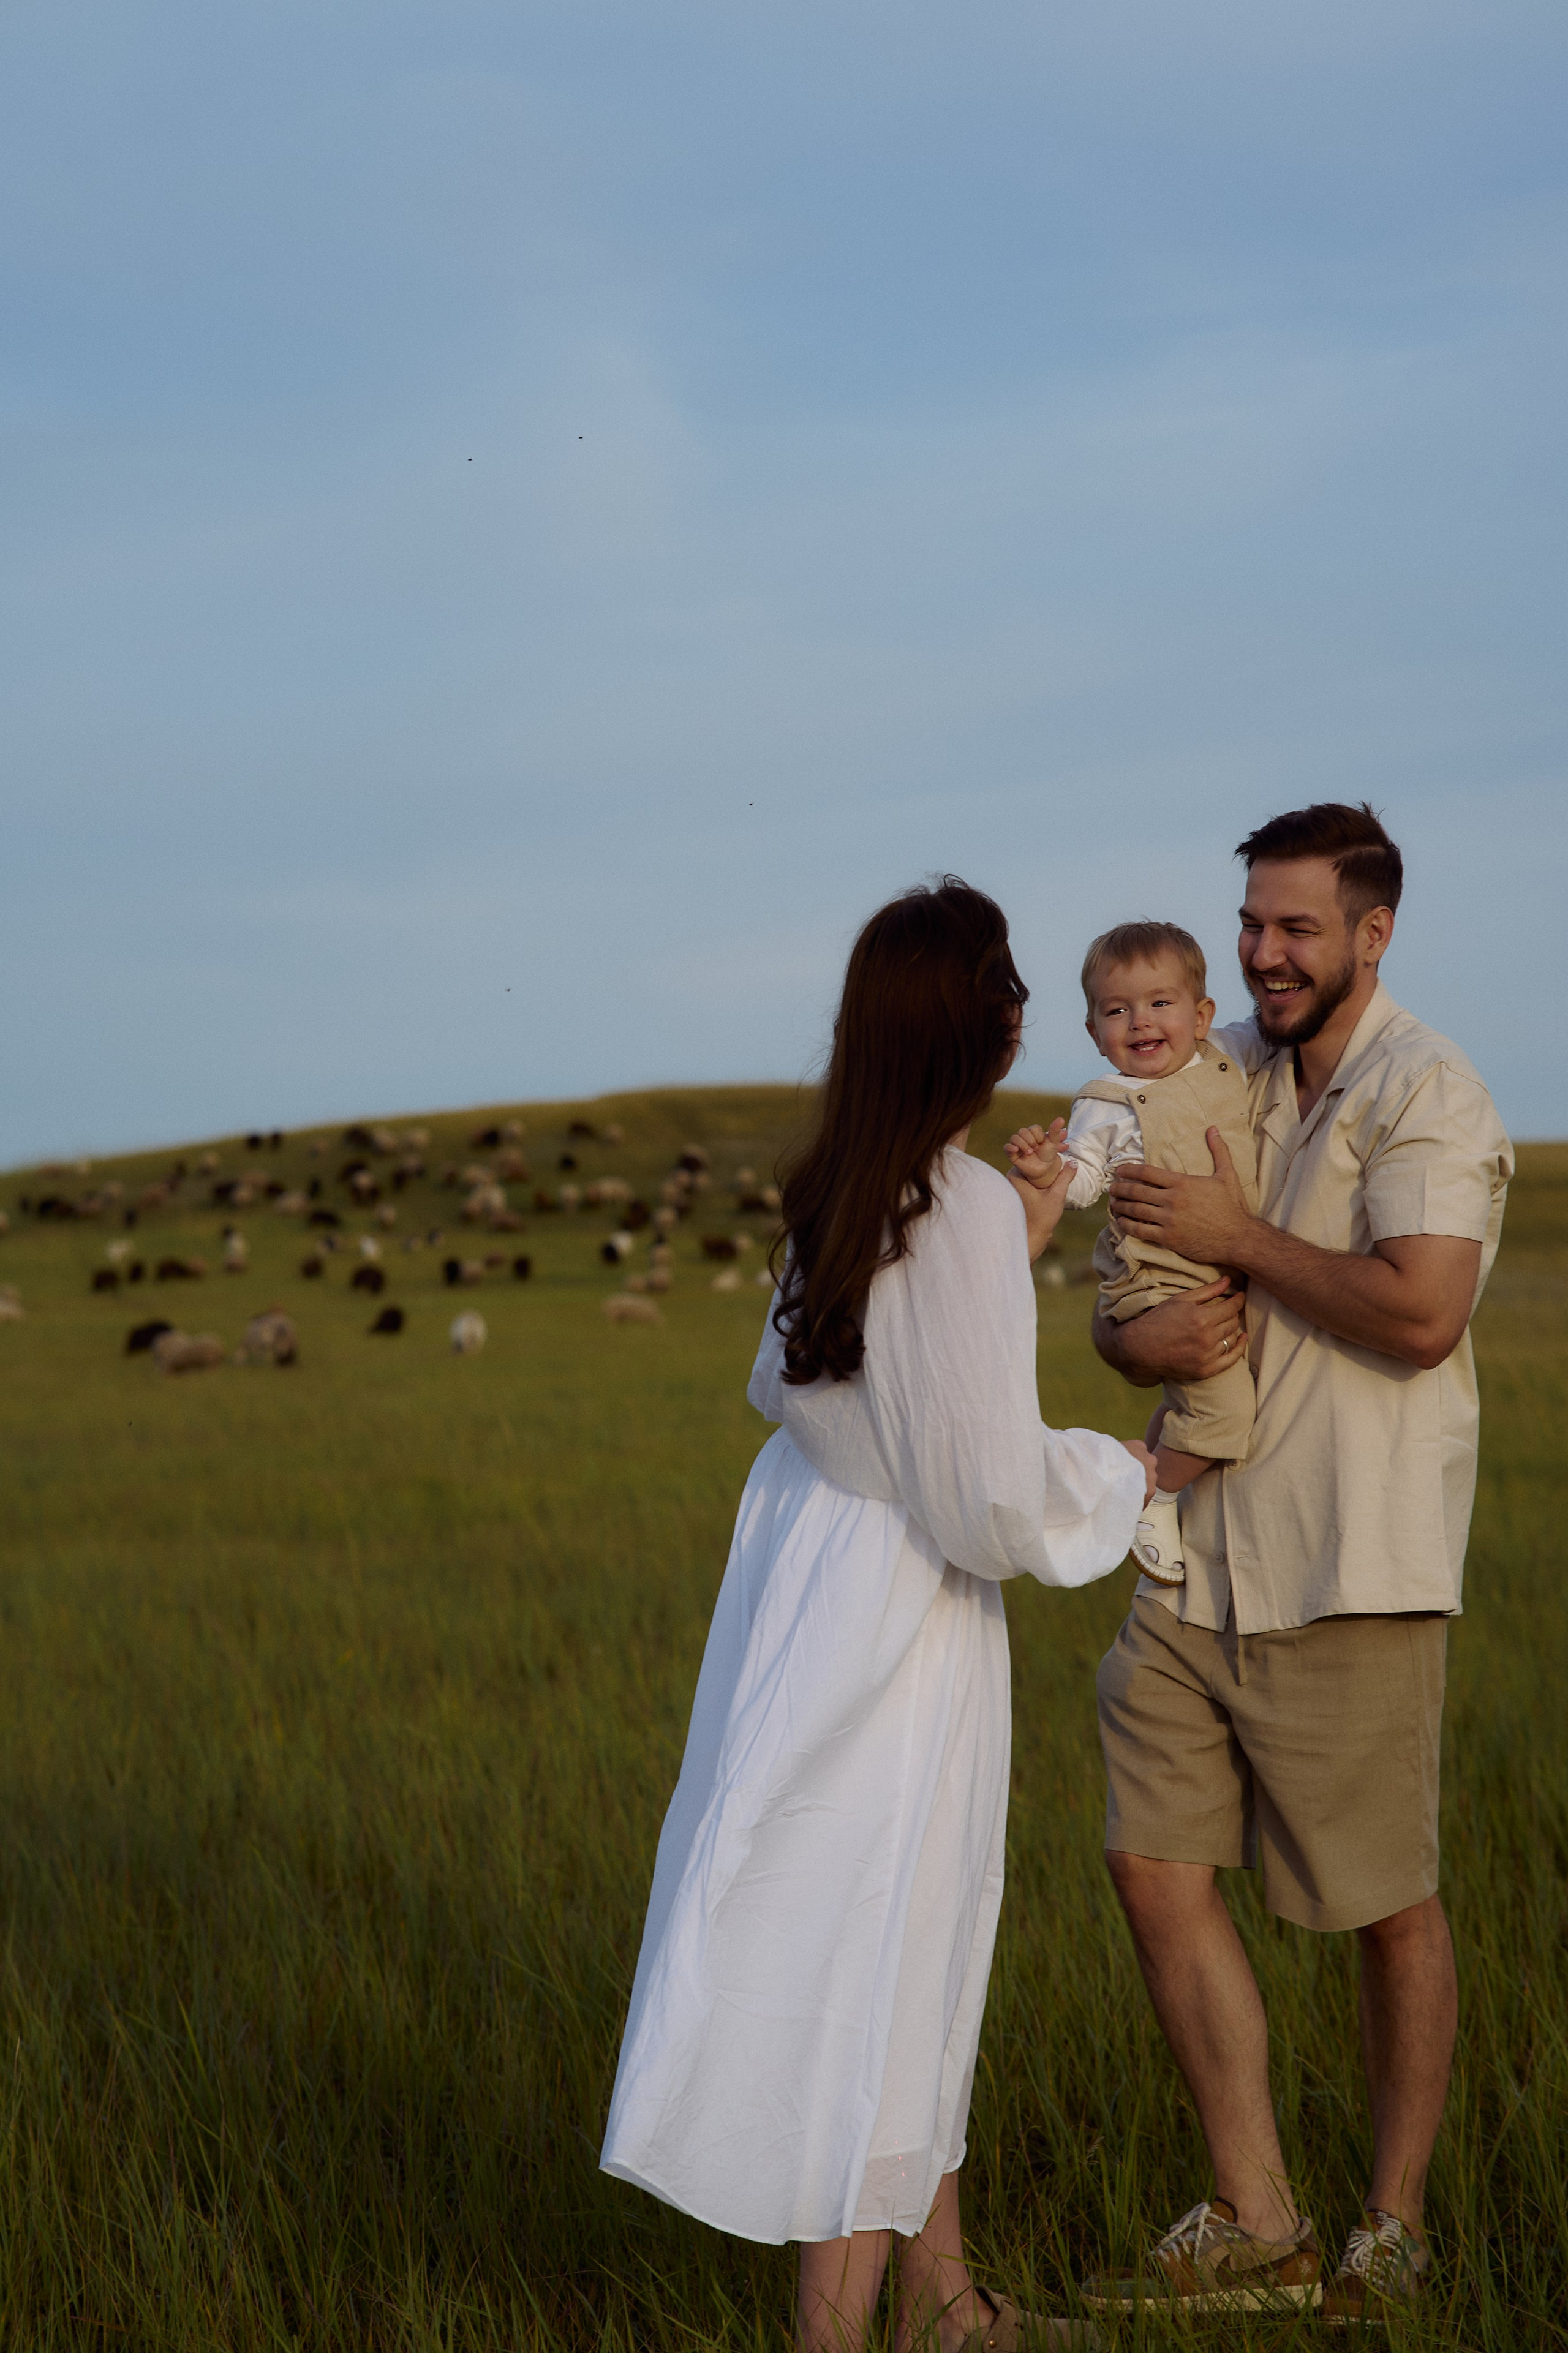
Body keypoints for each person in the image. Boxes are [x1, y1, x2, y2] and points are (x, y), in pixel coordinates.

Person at [601, 879, 1151, 2352]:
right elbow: (980, 1486)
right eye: (1012, 984)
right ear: (985, 1021)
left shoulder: (850, 1176)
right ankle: (835, 2335)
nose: (1030, 1004)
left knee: (902, 1937)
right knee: (878, 1953)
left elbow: (797, 1389)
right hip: (903, 1620)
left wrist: (1009, 1231)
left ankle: (945, 2297)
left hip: (806, 1593)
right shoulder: (952, 1203)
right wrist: (1126, 1471)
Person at [1072, 804, 1512, 2326]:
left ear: (1370, 932)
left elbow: (1416, 1312)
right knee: (1146, 1858)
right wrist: (1126, 1330)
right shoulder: (1212, 1076)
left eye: (1293, 927)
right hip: (1190, 1557)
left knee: (1384, 1900)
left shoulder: (1427, 1091)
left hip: (1346, 1558)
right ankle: (1255, 2215)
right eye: (1250, 922)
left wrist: (1235, 1235)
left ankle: (1386, 2226)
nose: (1260, 951)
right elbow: (1120, 1289)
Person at [1004, 920, 1260, 1587]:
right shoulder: (1107, 1103)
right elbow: (1088, 1178)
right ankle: (1156, 1498)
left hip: (1223, 1263)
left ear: (1202, 1015)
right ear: (1094, 1031)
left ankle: (1152, 1463)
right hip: (1158, 1277)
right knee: (1227, 1407)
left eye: (1159, 1003)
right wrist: (1049, 1171)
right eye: (1116, 1010)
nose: (1140, 1021)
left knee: (1199, 1398)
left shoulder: (1228, 1062)